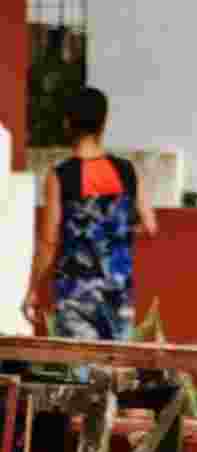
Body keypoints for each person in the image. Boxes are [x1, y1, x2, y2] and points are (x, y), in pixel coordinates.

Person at [22, 86, 158, 342]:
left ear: (68, 123)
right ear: (103, 123)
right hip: (118, 294)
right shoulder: (127, 171)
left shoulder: (60, 176)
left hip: (75, 296)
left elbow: (49, 241)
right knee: (116, 364)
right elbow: (150, 227)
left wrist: (32, 290)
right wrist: (114, 235)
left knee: (80, 366)